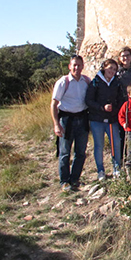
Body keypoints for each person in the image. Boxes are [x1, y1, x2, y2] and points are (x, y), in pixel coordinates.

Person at [51, 55, 90, 191]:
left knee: (80, 152)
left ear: (83, 66)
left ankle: (75, 179)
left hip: (82, 118)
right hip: (66, 119)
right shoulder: (63, 82)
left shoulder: (86, 81)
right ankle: (64, 181)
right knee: (65, 152)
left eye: (79, 65)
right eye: (74, 65)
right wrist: (56, 124)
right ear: (69, 66)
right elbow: (54, 104)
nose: (76, 68)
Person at [86, 58, 125, 180]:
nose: (112, 71)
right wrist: (102, 107)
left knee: (116, 144)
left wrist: (116, 110)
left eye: (114, 69)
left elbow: (120, 100)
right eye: (110, 68)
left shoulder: (116, 83)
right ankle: (101, 171)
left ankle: (116, 169)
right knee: (99, 145)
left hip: (112, 119)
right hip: (97, 119)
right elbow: (88, 100)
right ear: (104, 67)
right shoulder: (95, 82)